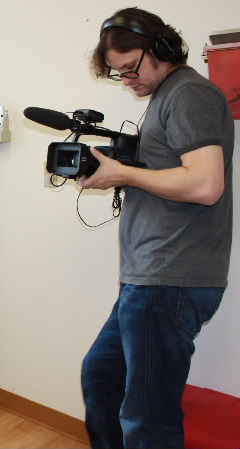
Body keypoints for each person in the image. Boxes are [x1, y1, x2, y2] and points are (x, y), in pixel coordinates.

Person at [79, 7, 234, 448]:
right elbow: (174, 176)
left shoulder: (189, 94)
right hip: (150, 278)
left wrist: (124, 174)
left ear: (162, 48)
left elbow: (205, 185)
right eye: (119, 74)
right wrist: (121, 171)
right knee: (103, 377)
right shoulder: (167, 97)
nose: (127, 81)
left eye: (132, 68)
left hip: (170, 279)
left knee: (149, 418)